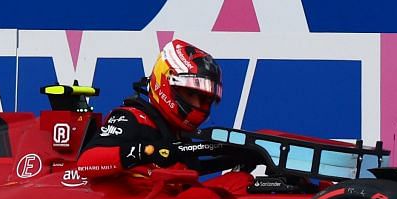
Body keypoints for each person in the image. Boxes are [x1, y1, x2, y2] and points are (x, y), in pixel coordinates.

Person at [76, 39, 268, 179]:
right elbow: (87, 162)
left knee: (241, 183)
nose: (200, 106)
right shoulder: (132, 119)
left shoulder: (175, 134)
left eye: (206, 100)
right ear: (166, 83)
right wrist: (148, 151)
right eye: (192, 95)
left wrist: (237, 160)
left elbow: (186, 168)